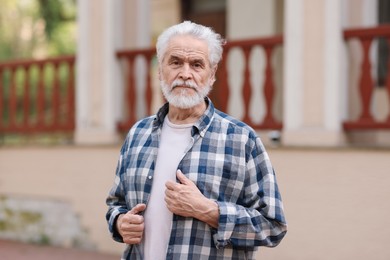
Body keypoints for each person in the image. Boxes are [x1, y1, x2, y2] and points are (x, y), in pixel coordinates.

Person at [106, 21, 287, 260]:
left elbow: (273, 226)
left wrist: (208, 210)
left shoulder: (242, 139)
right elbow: (115, 202)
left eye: (197, 64)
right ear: (160, 70)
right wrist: (119, 222)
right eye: (175, 62)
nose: (185, 73)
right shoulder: (138, 133)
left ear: (211, 75)